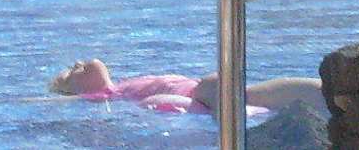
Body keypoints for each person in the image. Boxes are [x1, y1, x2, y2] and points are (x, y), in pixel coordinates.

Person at [50, 61, 323, 116]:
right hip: (198, 95)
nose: (77, 63)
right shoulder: (99, 97)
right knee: (227, 90)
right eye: (69, 73)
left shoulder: (120, 87)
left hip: (203, 95)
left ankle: (328, 93)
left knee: (252, 96)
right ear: (74, 92)